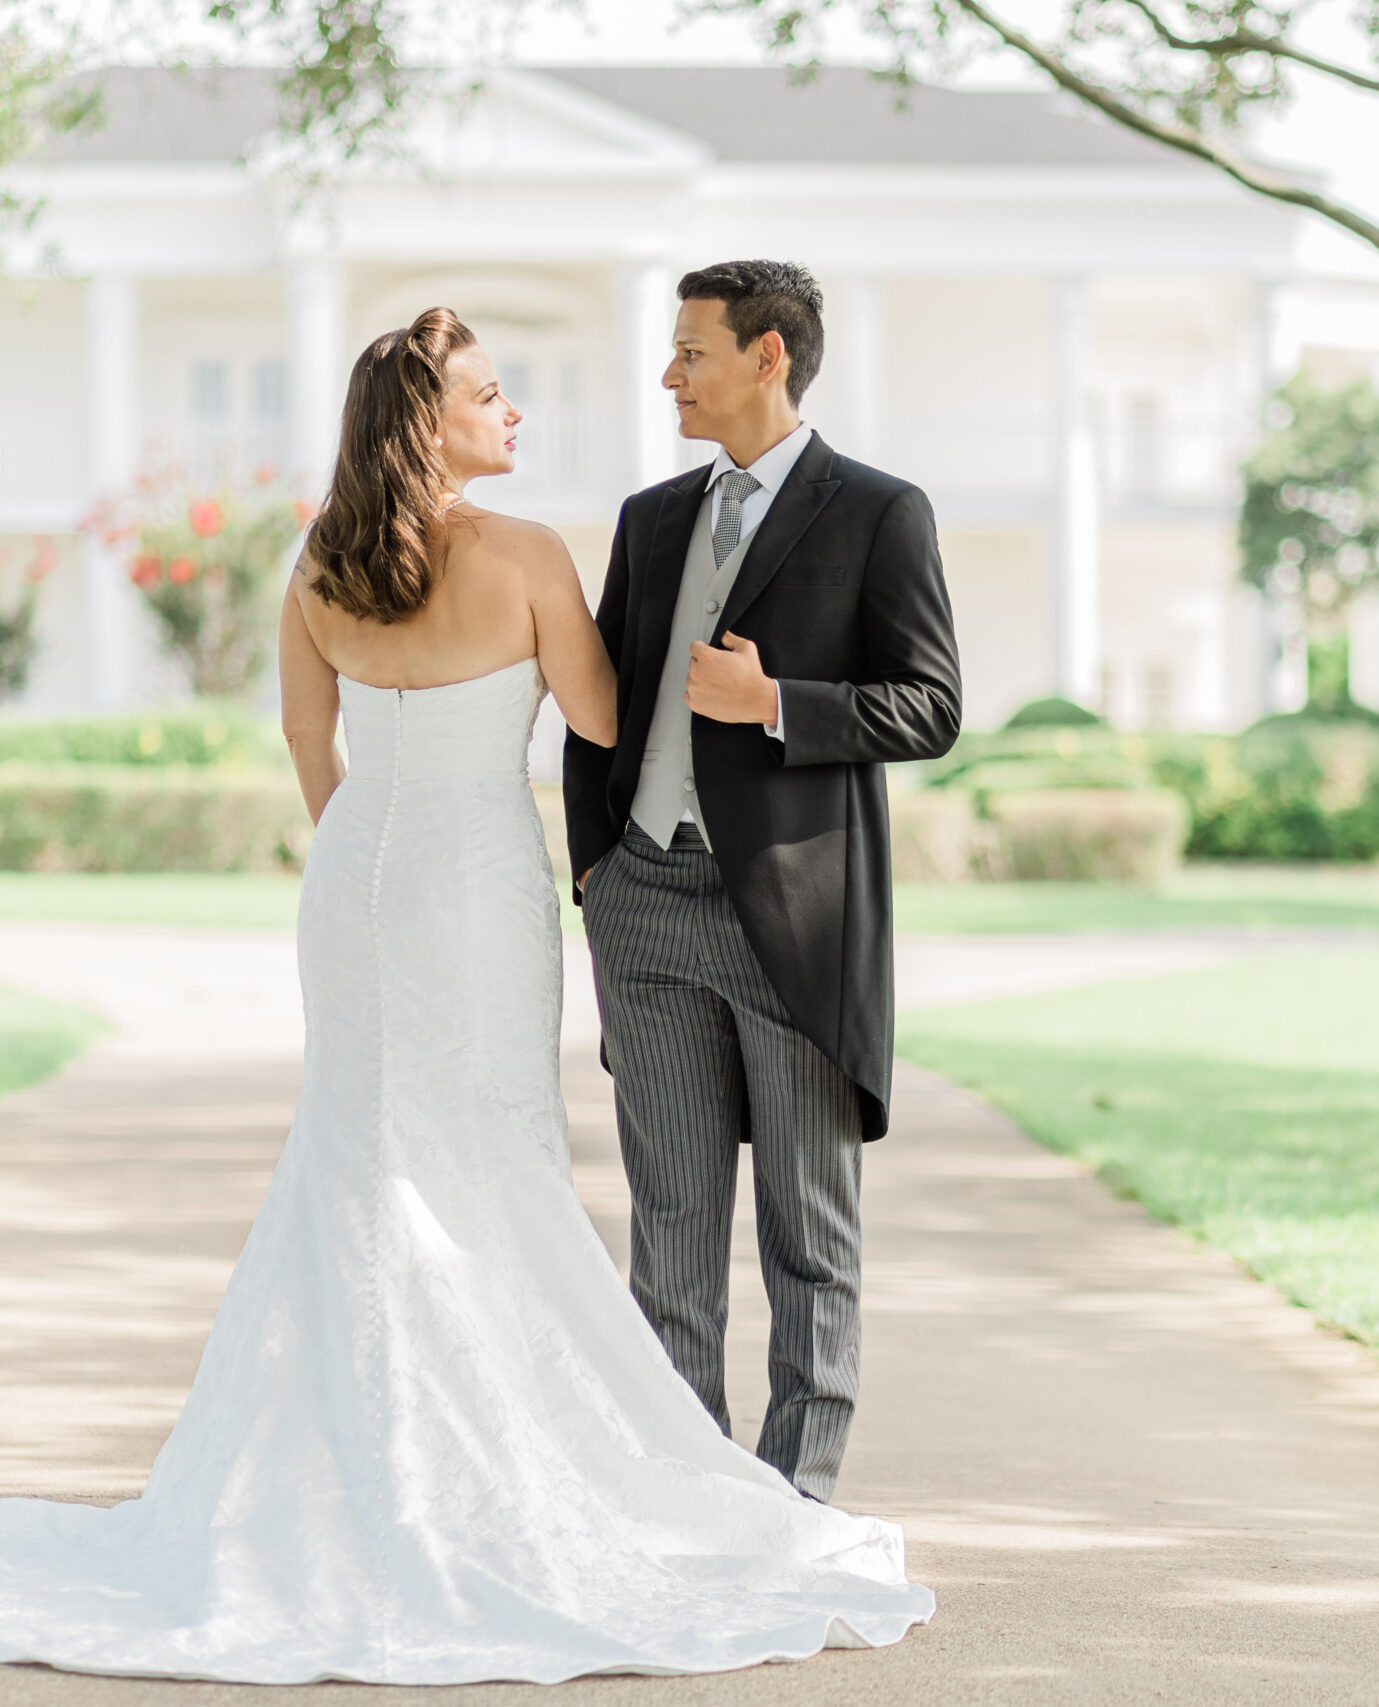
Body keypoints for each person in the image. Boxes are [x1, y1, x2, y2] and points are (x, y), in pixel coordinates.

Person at [0, 307, 934, 1685]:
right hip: (480, 881)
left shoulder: (321, 560)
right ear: (432, 422)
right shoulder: (531, 555)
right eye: (492, 395)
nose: (514, 413)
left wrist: (365, 849)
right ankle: (492, 1469)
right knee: (488, 1155)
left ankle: (346, 1454)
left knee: (360, 1154)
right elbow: (609, 722)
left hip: (358, 877)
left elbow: (312, 742)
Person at [564, 260, 963, 1505]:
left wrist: (775, 702)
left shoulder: (878, 512)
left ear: (768, 355)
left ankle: (793, 1508)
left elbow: (932, 705)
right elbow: (601, 715)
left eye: (692, 351)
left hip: (792, 922)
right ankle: (686, 1498)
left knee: (808, 1231)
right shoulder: (650, 518)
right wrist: (600, 870)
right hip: (645, 903)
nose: (670, 374)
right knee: (669, 1231)